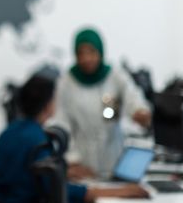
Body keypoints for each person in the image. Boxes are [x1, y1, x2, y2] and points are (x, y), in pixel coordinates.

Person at [0, 73, 148, 203]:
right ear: (48, 104)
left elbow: (24, 175)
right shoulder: (38, 140)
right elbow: (59, 192)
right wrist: (117, 192)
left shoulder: (7, 134)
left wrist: (64, 171)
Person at [51, 28, 151, 180]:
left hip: (113, 157)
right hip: (82, 162)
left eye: (91, 52)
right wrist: (72, 160)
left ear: (100, 51)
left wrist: (140, 112)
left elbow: (133, 97)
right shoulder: (67, 82)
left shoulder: (114, 76)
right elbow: (62, 122)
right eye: (81, 54)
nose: (86, 58)